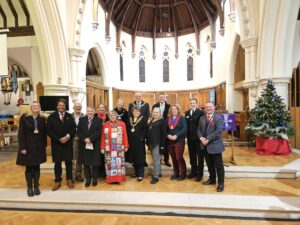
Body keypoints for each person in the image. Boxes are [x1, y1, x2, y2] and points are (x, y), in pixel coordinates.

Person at [16, 101, 47, 197]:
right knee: (29, 168)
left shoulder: (42, 118)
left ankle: (36, 186)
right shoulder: (24, 118)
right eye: (33, 106)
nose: (35, 107)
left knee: (37, 167)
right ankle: (29, 187)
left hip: (38, 147)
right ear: (31, 107)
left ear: (39, 107)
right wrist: (22, 147)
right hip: (27, 147)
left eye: (37, 106)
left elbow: (44, 133)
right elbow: (21, 134)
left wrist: (44, 145)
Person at [47, 98, 76, 191]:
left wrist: (67, 137)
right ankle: (57, 181)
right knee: (57, 163)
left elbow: (73, 128)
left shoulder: (69, 116)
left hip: (67, 143)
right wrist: (59, 139)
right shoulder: (51, 116)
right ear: (57, 106)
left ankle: (69, 179)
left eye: (63, 105)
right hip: (56, 143)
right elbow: (49, 130)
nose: (61, 107)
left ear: (65, 106)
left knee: (68, 162)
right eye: (60, 105)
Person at [197, 102, 225, 192]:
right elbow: (198, 130)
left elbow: (218, 132)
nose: (208, 108)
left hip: (215, 145)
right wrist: (201, 138)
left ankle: (220, 183)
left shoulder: (218, 118)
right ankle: (212, 179)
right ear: (204, 109)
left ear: (214, 108)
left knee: (219, 166)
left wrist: (208, 139)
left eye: (210, 107)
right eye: (206, 107)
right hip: (204, 146)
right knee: (209, 165)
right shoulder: (202, 118)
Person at [101, 110, 129, 183]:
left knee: (119, 164)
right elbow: (103, 137)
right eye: (111, 115)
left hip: (119, 148)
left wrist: (126, 145)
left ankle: (119, 178)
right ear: (108, 117)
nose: (112, 117)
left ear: (116, 116)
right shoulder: (105, 124)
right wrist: (102, 147)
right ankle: (111, 179)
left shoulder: (122, 124)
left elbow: (125, 135)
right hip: (108, 148)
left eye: (113, 115)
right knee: (110, 164)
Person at [77, 107, 102, 187]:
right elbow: (79, 131)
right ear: (86, 112)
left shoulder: (98, 120)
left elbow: (99, 131)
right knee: (86, 162)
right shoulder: (82, 120)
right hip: (84, 144)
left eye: (91, 111)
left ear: (94, 112)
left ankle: (94, 179)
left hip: (95, 143)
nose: (90, 112)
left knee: (95, 162)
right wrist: (85, 139)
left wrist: (90, 139)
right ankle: (87, 179)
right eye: (88, 111)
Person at [185, 98, 205, 181]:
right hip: (190, 138)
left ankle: (200, 174)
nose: (192, 104)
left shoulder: (200, 113)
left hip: (198, 138)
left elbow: (202, 125)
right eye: (191, 103)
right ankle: (193, 172)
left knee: (200, 157)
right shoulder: (186, 112)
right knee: (192, 156)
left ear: (197, 104)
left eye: (193, 103)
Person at [127, 106, 148, 181]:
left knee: (140, 158)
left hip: (139, 142)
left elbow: (145, 130)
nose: (136, 112)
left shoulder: (143, 119)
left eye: (138, 111)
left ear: (140, 112)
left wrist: (142, 138)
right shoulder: (129, 119)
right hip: (131, 142)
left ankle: (141, 174)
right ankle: (136, 172)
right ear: (132, 112)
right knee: (134, 158)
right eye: (135, 111)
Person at [167, 105, 187, 181]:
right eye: (172, 109)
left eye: (175, 109)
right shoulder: (168, 119)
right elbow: (165, 129)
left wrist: (176, 135)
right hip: (170, 141)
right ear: (170, 111)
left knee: (179, 157)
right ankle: (176, 173)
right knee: (173, 158)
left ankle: (183, 173)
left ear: (178, 110)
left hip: (179, 141)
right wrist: (167, 135)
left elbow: (185, 129)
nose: (174, 110)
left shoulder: (182, 118)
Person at [146, 107, 166, 184]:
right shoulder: (151, 120)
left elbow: (163, 135)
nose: (155, 114)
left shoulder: (162, 121)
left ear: (160, 113)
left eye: (157, 112)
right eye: (154, 112)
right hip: (151, 143)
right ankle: (159, 173)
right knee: (156, 159)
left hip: (157, 144)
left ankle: (156, 176)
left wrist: (162, 146)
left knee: (156, 160)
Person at [152, 93, 171, 167]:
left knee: (165, 143)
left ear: (165, 98)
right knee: (157, 142)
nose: (161, 98)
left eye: (163, 97)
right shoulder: (155, 106)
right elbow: (152, 115)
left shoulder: (169, 106)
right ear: (158, 98)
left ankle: (166, 160)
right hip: (157, 125)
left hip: (166, 125)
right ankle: (158, 159)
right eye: (160, 97)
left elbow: (170, 115)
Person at [71, 102, 85, 182]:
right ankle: (72, 175)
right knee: (72, 158)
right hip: (72, 140)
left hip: (82, 140)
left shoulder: (84, 116)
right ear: (73, 107)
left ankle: (79, 174)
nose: (78, 108)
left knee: (80, 157)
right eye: (76, 106)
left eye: (79, 106)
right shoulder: (69, 116)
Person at [97, 103, 108, 177]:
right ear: (97, 109)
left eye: (102, 107)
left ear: (105, 109)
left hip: (107, 139)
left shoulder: (108, 117)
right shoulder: (94, 116)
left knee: (106, 156)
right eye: (100, 107)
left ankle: (105, 172)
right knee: (98, 156)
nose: (101, 108)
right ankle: (98, 172)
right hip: (97, 139)